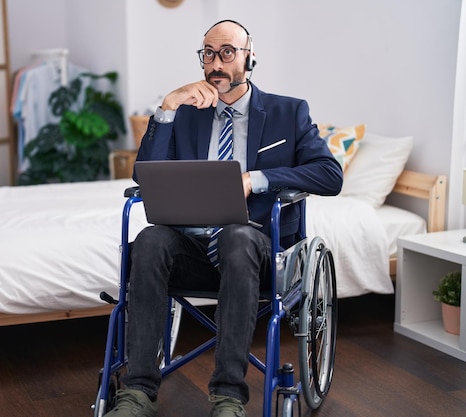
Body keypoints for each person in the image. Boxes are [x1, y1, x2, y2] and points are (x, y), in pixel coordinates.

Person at [106, 20, 343, 417]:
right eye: (209, 54)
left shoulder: (289, 112)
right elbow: (143, 174)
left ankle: (229, 397)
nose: (216, 64)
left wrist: (258, 179)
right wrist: (167, 107)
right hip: (193, 247)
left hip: (257, 248)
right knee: (149, 239)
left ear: (250, 57)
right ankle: (138, 392)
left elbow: (330, 174)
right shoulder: (184, 114)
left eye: (227, 52)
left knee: (237, 236)